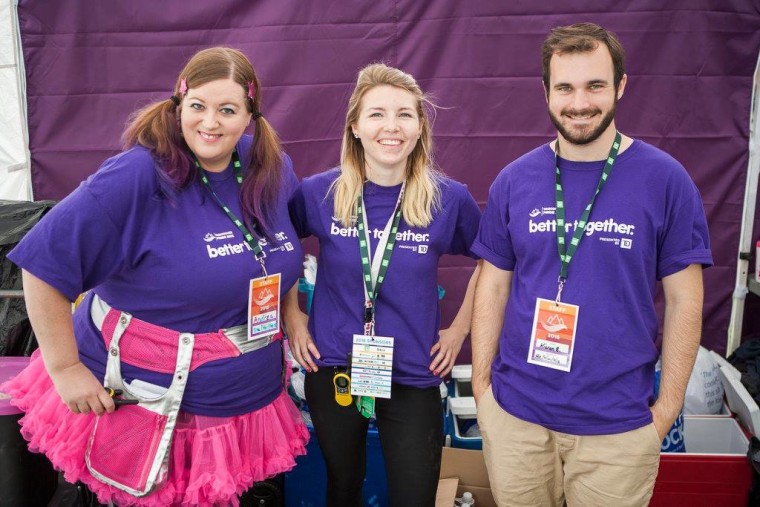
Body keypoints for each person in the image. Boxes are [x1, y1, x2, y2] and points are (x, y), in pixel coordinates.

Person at [1, 47, 308, 506]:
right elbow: (43, 264)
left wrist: (294, 313)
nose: (210, 122)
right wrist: (65, 368)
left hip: (244, 403)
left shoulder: (271, 167)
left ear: (251, 117)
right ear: (178, 105)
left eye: (228, 110)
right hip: (148, 404)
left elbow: (281, 255)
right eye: (198, 106)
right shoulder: (139, 174)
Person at [470, 23, 713, 507]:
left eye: (594, 85)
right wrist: (483, 391)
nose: (579, 102)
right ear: (546, 93)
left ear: (621, 86)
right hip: (518, 419)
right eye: (565, 87)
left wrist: (664, 412)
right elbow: (493, 287)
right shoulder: (514, 180)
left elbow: (686, 299)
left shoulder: (666, 179)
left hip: (618, 429)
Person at [286, 63, 481, 506]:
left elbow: (495, 262)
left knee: (414, 498)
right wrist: (292, 315)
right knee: (343, 489)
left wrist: (459, 329)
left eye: (404, 115)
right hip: (334, 367)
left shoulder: (448, 199)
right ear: (355, 126)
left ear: (418, 128)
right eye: (377, 114)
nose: (390, 127)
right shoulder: (320, 193)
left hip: (414, 372)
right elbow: (274, 250)